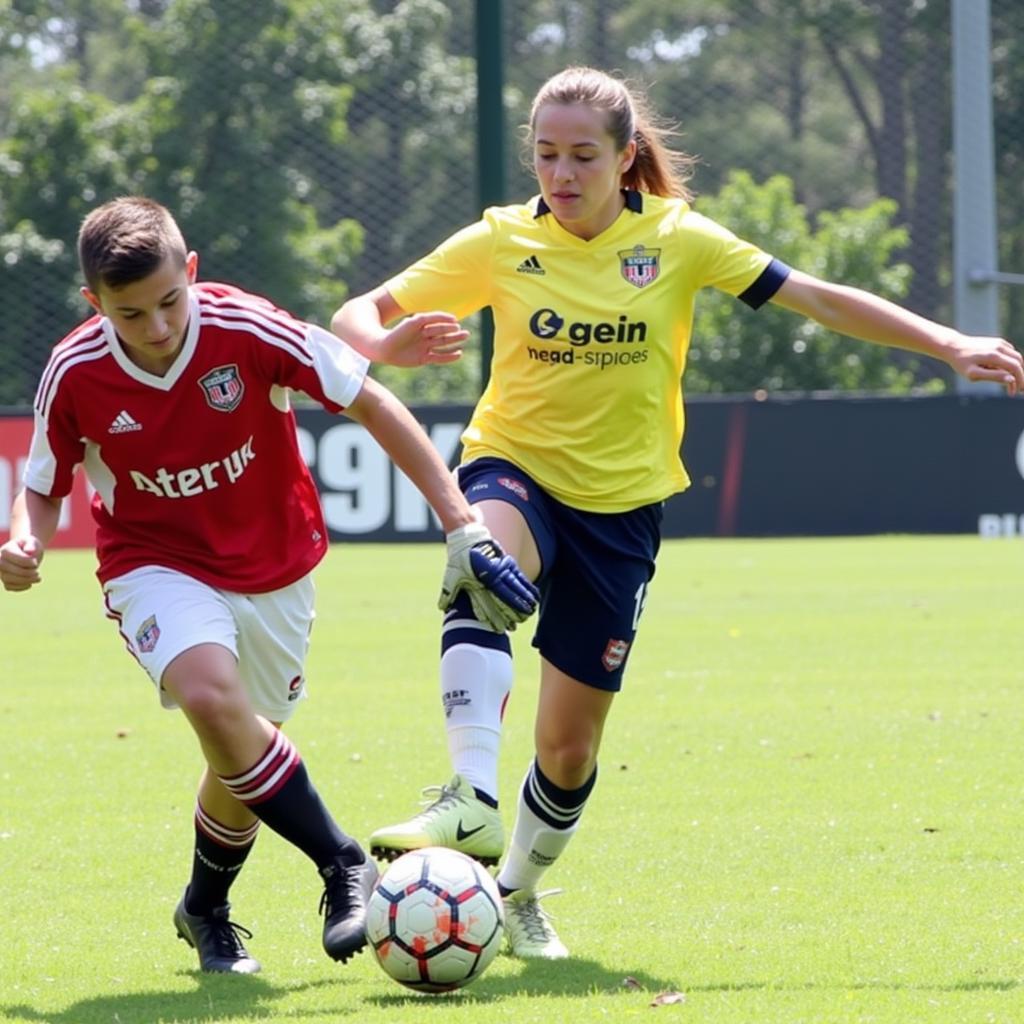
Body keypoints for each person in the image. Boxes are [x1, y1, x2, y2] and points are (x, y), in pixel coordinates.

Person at [330, 65, 1024, 960]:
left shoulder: (679, 238)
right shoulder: (499, 241)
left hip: (624, 512)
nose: (562, 173)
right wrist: (384, 342)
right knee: (484, 565)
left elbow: (814, 294)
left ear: (626, 159)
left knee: (570, 751)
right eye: (546, 154)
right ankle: (470, 798)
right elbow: (356, 314)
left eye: (584, 155)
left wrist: (947, 341)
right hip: (514, 463)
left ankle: (515, 897)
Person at [0, 196, 537, 975]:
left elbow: (371, 400)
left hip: (275, 568)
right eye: (130, 313)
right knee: (213, 702)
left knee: (241, 749)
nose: (155, 328)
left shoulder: (248, 327)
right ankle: (342, 861)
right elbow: (45, 483)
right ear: (95, 303)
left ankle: (205, 908)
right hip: (152, 562)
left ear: (191, 273)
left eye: (168, 302)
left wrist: (462, 524)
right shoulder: (76, 369)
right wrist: (27, 537)